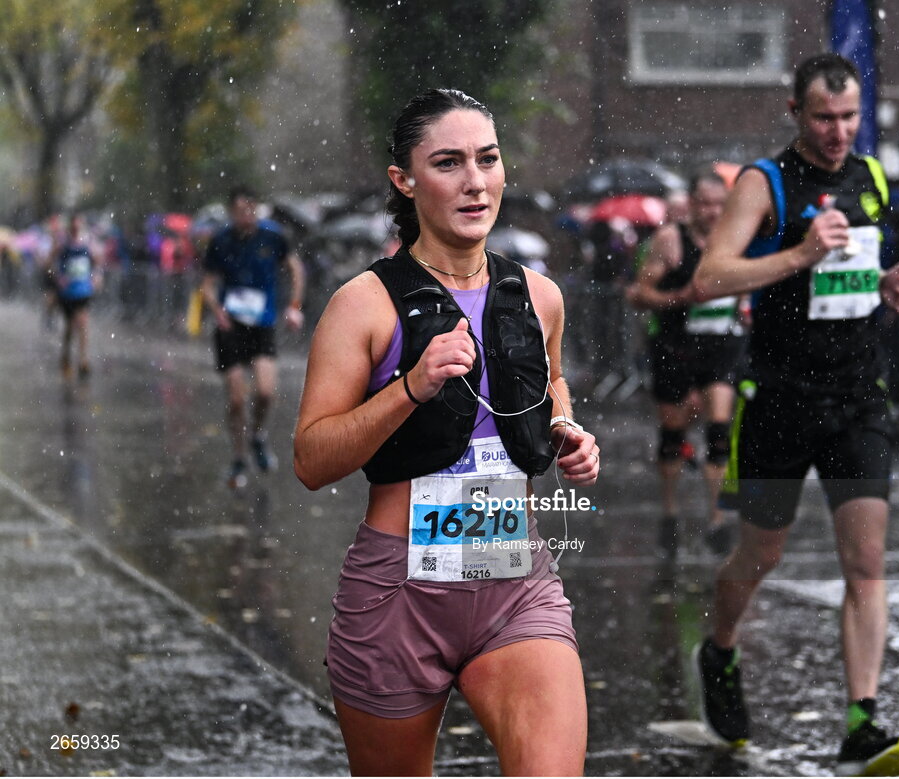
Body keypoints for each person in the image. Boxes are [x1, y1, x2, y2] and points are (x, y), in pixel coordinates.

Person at [293, 88, 599, 776]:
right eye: (449, 163)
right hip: (398, 590)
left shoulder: (538, 295)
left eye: (487, 160)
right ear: (405, 179)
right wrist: (411, 386)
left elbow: (550, 384)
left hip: (514, 582)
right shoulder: (363, 304)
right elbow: (312, 458)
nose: (475, 182)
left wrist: (566, 429)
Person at [690, 53, 899, 776]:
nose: (839, 131)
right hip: (779, 403)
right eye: (824, 117)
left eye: (850, 117)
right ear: (795, 111)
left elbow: (847, 271)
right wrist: (796, 254)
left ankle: (862, 719)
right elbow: (709, 279)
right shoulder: (766, 183)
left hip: (857, 398)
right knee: (761, 555)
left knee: (868, 562)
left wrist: (882, 286)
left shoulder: (871, 177)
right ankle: (720, 649)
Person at [627, 169, 747, 557]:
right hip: (675, 347)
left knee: (718, 431)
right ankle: (670, 511)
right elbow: (640, 293)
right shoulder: (670, 240)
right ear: (692, 204)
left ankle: (717, 519)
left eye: (720, 205)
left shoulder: (736, 239)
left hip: (721, 346)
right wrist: (680, 296)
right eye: (706, 204)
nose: (713, 212)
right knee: (673, 435)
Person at [201, 185, 306, 490]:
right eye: (240, 211)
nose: (246, 216)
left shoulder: (273, 236)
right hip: (231, 327)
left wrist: (294, 305)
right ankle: (238, 457)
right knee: (236, 399)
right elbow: (207, 285)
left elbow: (295, 269)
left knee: (265, 392)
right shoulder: (220, 241)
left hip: (262, 325)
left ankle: (257, 434)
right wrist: (216, 309)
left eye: (250, 209)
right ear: (231, 212)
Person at [51, 213, 100, 379]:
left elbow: (96, 263)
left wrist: (96, 277)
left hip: (83, 291)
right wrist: (59, 277)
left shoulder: (87, 244)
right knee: (70, 327)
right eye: (73, 227)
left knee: (83, 324)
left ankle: (83, 360)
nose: (75, 229)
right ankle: (65, 354)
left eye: (78, 226)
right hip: (67, 293)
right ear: (69, 227)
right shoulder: (62, 245)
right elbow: (50, 263)